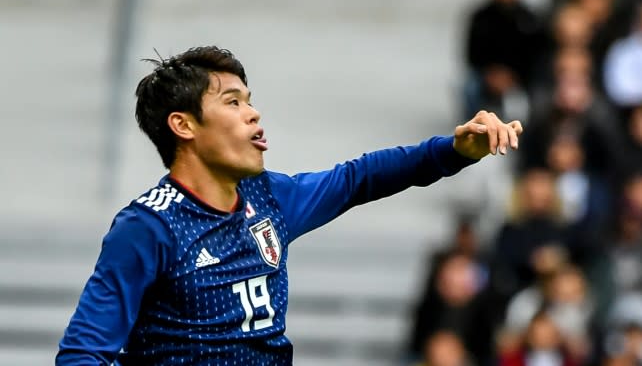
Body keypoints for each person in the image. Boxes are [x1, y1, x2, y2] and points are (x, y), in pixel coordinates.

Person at [55, 46, 524, 365]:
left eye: (250, 101)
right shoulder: (149, 227)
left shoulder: (268, 198)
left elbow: (358, 178)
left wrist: (453, 150)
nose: (253, 113)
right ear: (184, 125)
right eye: (232, 102)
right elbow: (83, 354)